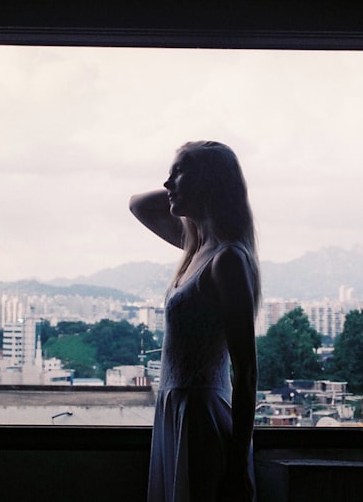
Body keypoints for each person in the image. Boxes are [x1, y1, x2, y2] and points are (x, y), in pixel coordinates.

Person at [129, 140, 260, 502]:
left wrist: (236, 465)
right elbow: (137, 204)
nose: (167, 183)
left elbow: (246, 372)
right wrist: (184, 185)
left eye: (178, 172)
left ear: (209, 181)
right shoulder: (197, 249)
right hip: (178, 413)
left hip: (200, 421)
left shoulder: (227, 260)